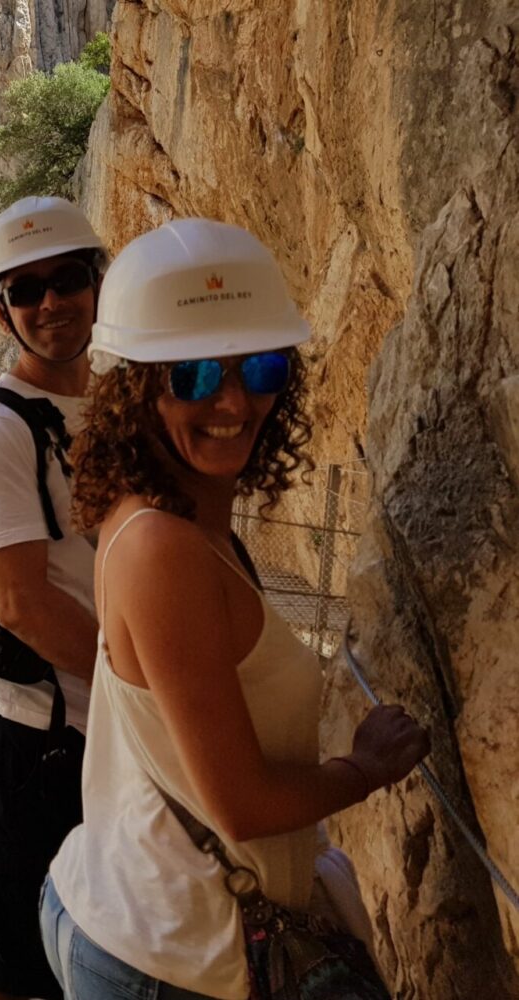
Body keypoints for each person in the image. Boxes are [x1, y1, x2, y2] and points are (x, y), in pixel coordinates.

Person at [42, 219, 430, 999]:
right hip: (173, 953)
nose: (231, 400)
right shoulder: (164, 548)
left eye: (258, 368)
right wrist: (365, 769)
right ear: (138, 389)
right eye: (191, 376)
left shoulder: (181, 514)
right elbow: (243, 806)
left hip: (132, 907)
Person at [0, 196, 108, 1000]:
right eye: (25, 289)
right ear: (1, 308)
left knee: (98, 936)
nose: (50, 303)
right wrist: (140, 697)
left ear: (97, 283)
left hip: (96, 724)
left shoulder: (107, 407)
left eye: (67, 278)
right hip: (36, 735)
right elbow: (20, 605)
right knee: (4, 966)